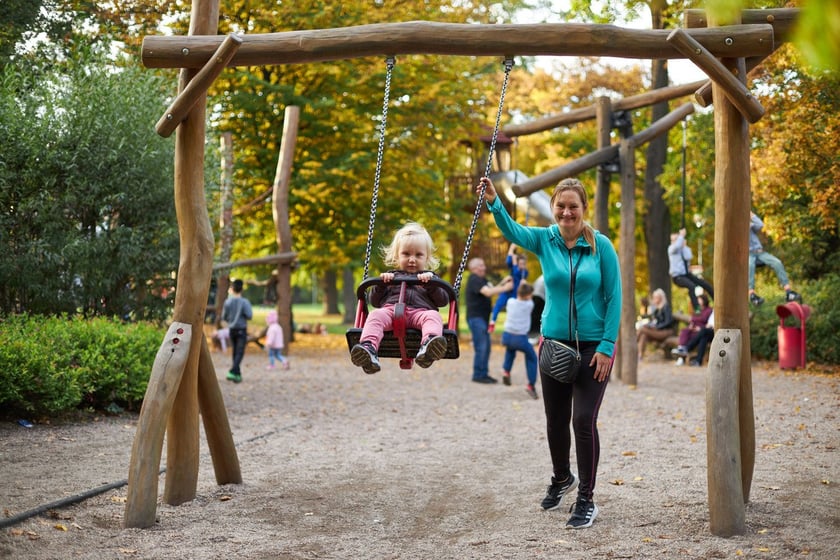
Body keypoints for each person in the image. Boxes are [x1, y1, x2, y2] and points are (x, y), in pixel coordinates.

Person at [478, 175, 621, 530]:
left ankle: (586, 498)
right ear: (554, 208)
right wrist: (495, 201)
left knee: (582, 420)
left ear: (584, 209)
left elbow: (614, 297)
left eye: (574, 206)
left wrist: (607, 345)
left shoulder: (601, 246)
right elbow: (512, 231)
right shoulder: (545, 240)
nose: (567, 212)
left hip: (593, 348)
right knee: (555, 420)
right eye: (561, 206)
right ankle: (562, 478)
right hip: (554, 345)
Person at [350, 222, 450, 374]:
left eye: (418, 255)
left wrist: (431, 284)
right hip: (391, 311)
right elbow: (374, 302)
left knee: (433, 316)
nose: (412, 259)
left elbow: (443, 301)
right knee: (376, 315)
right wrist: (381, 285)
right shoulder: (391, 276)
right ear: (397, 256)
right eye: (406, 254)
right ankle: (368, 348)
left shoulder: (431, 278)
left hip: (420, 313)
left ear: (427, 258)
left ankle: (429, 344)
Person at [465, 257, 513, 384]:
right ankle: (479, 374)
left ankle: (483, 373)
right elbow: (488, 292)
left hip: (482, 319)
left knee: (486, 347)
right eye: (480, 265)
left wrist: (503, 282)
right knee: (482, 346)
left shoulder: (481, 280)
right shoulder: (474, 279)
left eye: (483, 265)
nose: (484, 267)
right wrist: (506, 288)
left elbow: (492, 289)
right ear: (473, 268)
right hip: (476, 318)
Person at [749, 212, 800, 305]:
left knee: (777, 262)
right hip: (748, 255)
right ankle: (752, 295)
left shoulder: (749, 226)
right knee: (750, 267)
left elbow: (760, 225)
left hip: (760, 253)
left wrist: (750, 214)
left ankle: (788, 291)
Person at [500, 281, 539, 399]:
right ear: (528, 295)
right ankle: (531, 385)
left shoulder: (510, 302)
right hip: (520, 338)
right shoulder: (529, 305)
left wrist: (520, 285)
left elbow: (517, 295)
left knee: (510, 350)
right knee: (532, 357)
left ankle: (506, 371)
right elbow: (526, 298)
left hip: (506, 336)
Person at [668, 228, 713, 313]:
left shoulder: (684, 249)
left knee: (703, 283)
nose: (675, 242)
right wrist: (681, 236)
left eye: (676, 240)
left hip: (687, 274)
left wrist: (683, 246)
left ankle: (714, 298)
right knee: (691, 286)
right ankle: (697, 308)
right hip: (678, 276)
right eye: (673, 240)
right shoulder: (671, 249)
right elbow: (676, 247)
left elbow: (688, 257)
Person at [488, 243, 528, 333]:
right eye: (520, 263)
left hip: (516, 294)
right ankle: (492, 322)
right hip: (508, 291)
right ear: (518, 263)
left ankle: (514, 328)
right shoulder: (514, 266)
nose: (522, 265)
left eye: (523, 264)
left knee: (515, 310)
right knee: (498, 305)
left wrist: (514, 263)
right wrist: (511, 248)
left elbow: (516, 272)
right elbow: (508, 260)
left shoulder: (524, 272)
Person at [221, 279, 253, 383]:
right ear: (241, 289)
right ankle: (232, 371)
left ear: (232, 288)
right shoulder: (245, 302)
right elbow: (249, 315)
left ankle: (237, 375)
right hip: (241, 329)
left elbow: (224, 317)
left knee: (235, 352)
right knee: (239, 352)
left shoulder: (227, 302)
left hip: (232, 330)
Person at [636, 288, 675, 361]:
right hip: (658, 331)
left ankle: (632, 343)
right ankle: (639, 356)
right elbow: (654, 320)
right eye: (654, 297)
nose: (654, 299)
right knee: (644, 335)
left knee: (642, 329)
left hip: (665, 332)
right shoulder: (657, 309)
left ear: (661, 298)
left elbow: (668, 322)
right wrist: (651, 325)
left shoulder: (666, 307)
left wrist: (657, 327)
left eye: (656, 297)